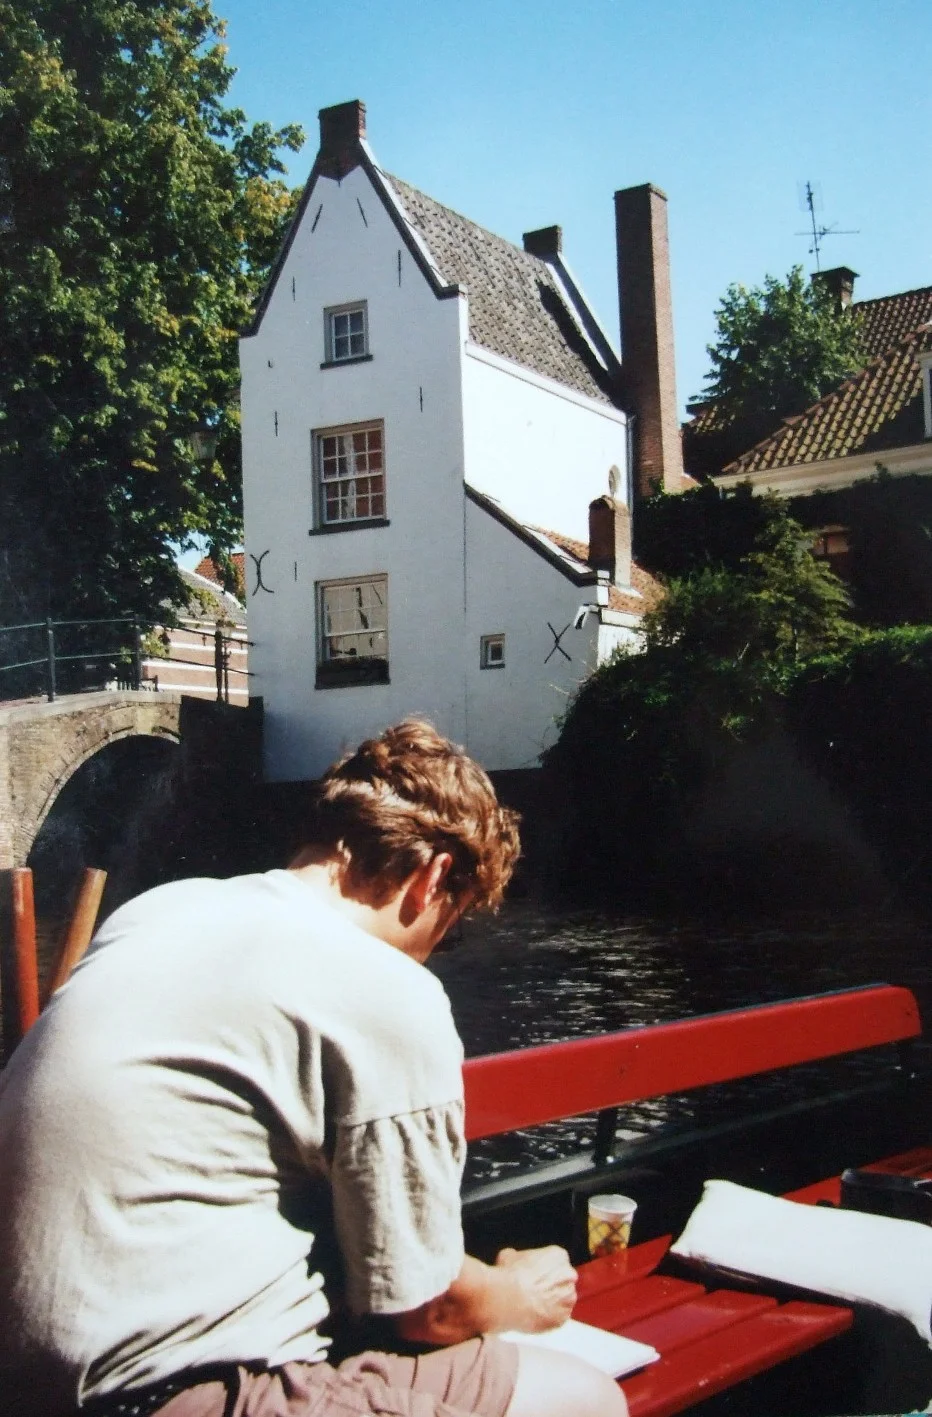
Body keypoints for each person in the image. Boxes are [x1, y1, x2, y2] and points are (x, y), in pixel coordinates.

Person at [0, 719, 627, 1417]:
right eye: (447, 930)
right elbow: (426, 1309)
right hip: (168, 1397)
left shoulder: (162, 909)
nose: (431, 953)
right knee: (585, 1396)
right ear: (432, 877)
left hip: (26, 1379)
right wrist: (518, 1293)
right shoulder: (389, 985)